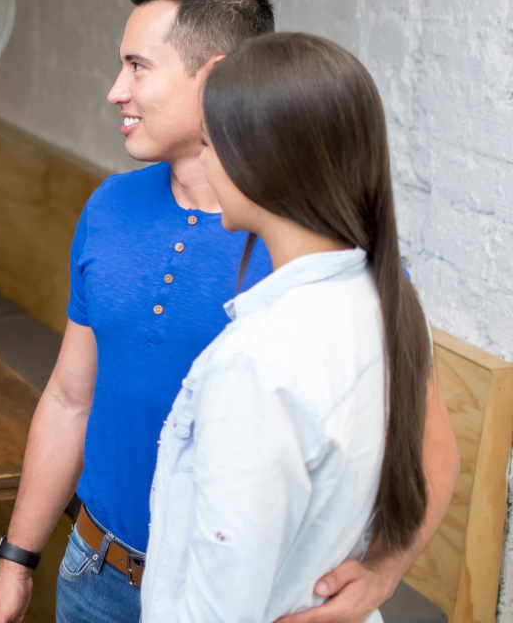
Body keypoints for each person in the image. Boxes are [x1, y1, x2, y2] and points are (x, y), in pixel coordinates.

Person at [0, 0, 459, 623]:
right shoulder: (109, 206)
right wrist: (17, 560)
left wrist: (381, 576)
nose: (117, 90)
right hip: (93, 568)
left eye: (138, 67)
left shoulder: (323, 264)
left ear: (219, 77)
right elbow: (68, 398)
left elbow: (429, 445)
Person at [141, 32, 436, 621]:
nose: (204, 164)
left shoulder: (257, 362)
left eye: (209, 144)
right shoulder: (385, 304)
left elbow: (219, 606)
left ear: (264, 159)